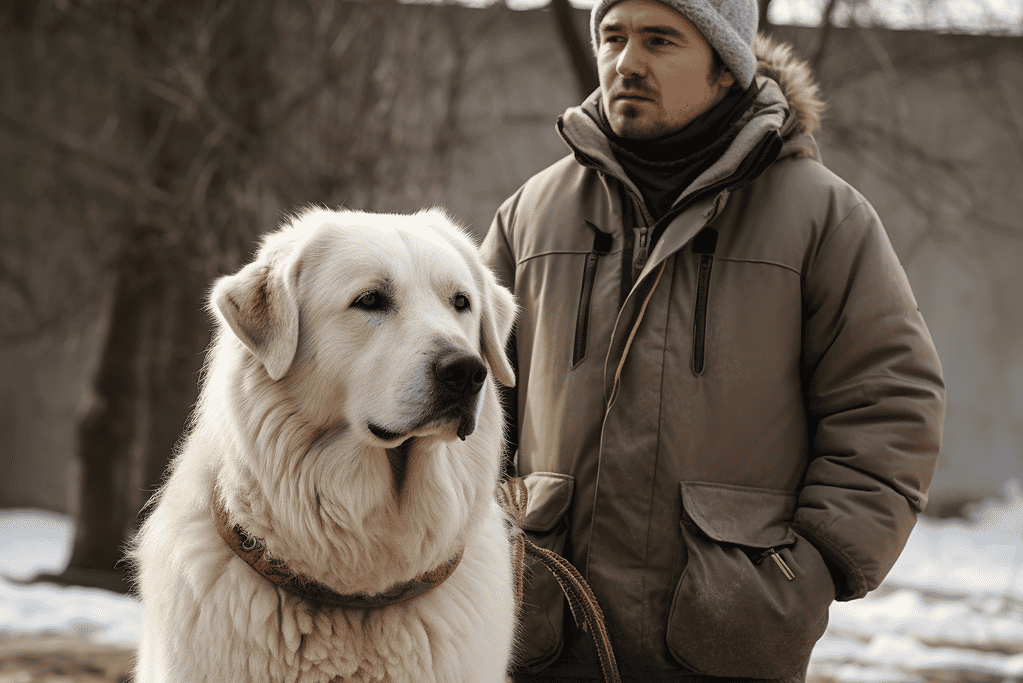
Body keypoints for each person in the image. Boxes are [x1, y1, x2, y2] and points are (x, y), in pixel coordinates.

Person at [481, 0, 945, 681]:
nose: (625, 62)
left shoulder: (822, 218)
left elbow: (891, 405)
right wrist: (489, 540)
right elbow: (467, 395)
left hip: (725, 639)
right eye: (613, 36)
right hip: (539, 634)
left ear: (726, 67)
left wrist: (804, 570)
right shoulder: (531, 215)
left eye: (659, 40)